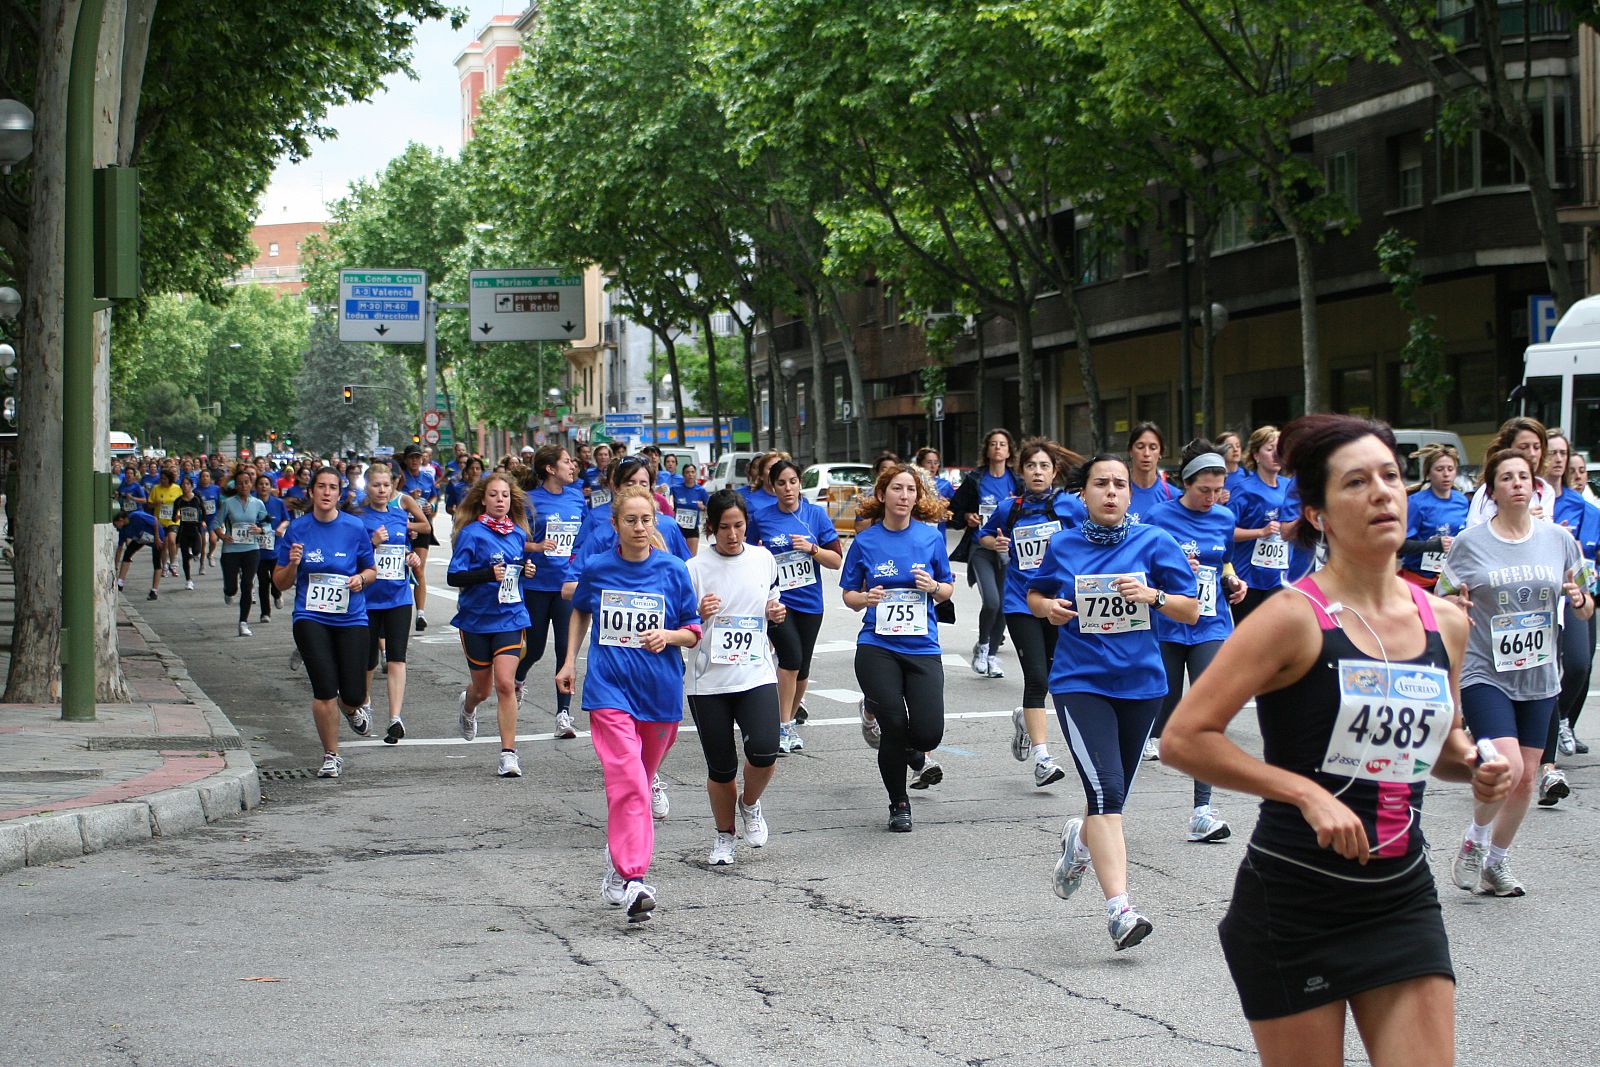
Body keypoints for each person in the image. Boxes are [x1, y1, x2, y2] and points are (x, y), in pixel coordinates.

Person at [1161, 414, 1510, 1063]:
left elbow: (1444, 747)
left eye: (1389, 476)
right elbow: (1183, 737)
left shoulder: (1448, 623)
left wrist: (1477, 764)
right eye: (1357, 482)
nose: (1383, 492)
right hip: (1296, 900)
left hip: (1401, 895)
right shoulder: (1293, 617)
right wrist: (1303, 792)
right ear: (1317, 512)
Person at [1027, 453, 1199, 950]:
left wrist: (1154, 596)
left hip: (1142, 686)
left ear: (1130, 493)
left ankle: (1078, 843)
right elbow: (1035, 595)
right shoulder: (1063, 543)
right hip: (1081, 683)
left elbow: (1190, 611)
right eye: (1101, 484)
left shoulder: (1155, 542)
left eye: (1120, 485)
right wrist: (1052, 610)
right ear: (1084, 494)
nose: (1110, 492)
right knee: (1106, 795)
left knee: (1111, 797)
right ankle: (1120, 910)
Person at [1440, 446, 1592, 897]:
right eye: (1507, 478)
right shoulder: (1471, 543)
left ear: (1535, 485)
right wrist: (1454, 606)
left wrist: (1582, 602)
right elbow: (1443, 596)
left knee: (1527, 777)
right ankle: (1475, 841)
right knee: (1503, 765)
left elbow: (1584, 600)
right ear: (1493, 489)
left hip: (1540, 673)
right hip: (1486, 669)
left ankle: (1496, 863)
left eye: (1524, 476)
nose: (1517, 484)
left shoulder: (1559, 540)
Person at [558, 484, 700, 922]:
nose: (640, 527)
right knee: (629, 782)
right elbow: (580, 609)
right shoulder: (599, 568)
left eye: (646, 520)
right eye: (631, 520)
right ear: (615, 525)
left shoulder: (674, 570)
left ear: (655, 523)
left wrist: (669, 636)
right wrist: (569, 662)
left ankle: (617, 861)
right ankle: (634, 877)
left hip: (659, 692)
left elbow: (693, 629)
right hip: (609, 689)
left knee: (640, 780)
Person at [842, 464, 955, 832]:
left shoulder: (930, 537)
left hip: (922, 646)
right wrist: (866, 597)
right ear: (883, 495)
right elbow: (849, 595)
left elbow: (948, 588)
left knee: (927, 734)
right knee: (893, 724)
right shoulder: (866, 541)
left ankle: (911, 747)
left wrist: (933, 587)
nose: (904, 496)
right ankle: (899, 803)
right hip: (877, 645)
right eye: (897, 489)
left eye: (910, 490)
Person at [1145, 439, 1248, 839]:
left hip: (1211, 625)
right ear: (1186, 483)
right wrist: (1172, 570)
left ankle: (1203, 810)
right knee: (1164, 710)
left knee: (1206, 712)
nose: (1210, 497)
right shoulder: (1159, 515)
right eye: (1203, 489)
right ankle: (1103, 808)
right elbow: (1142, 567)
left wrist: (1231, 580)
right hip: (1169, 624)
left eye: (1217, 490)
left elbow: (1223, 560)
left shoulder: (1223, 517)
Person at [977, 437, 1084, 788]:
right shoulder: (1011, 508)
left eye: (1044, 466)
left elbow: (1093, 535)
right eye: (1031, 466)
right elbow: (984, 536)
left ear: (1054, 472)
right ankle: (1042, 758)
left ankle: (1025, 719)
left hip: (1061, 603)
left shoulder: (1070, 506)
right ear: (1021, 471)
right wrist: (998, 542)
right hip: (1021, 602)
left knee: (1052, 678)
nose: (1037, 472)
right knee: (1036, 677)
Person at [687, 490, 787, 866]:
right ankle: (724, 837)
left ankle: (750, 803)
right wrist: (698, 612)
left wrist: (776, 612)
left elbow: (772, 601)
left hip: (755, 672)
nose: (732, 534)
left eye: (739, 526)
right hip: (708, 681)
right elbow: (680, 625)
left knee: (764, 751)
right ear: (711, 528)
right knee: (722, 767)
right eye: (724, 527)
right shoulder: (693, 569)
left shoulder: (763, 559)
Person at [273, 467, 377, 779]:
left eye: (333, 487)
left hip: (351, 617)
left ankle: (351, 709)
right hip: (311, 616)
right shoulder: (297, 530)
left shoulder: (354, 527)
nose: (327, 492)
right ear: (312, 492)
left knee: (355, 692)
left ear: (339, 493)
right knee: (323, 689)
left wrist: (360, 578)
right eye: (321, 486)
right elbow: (279, 583)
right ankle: (331, 755)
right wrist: (292, 563)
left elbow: (371, 570)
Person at [748, 458, 843, 754]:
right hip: (779, 602)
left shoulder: (815, 515)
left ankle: (785, 720)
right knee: (789, 658)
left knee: (802, 667)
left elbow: (837, 560)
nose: (787, 488)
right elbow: (746, 556)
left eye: (792, 481)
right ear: (772, 486)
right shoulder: (762, 517)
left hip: (810, 602)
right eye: (781, 483)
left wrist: (812, 549)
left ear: (800, 484)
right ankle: (782, 727)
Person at [448, 471, 538, 778]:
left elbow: (516, 570)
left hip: (510, 616)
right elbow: (454, 577)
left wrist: (526, 571)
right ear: (483, 500)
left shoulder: (517, 534)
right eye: (494, 495)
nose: (500, 500)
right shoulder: (471, 534)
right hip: (475, 619)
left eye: (505, 495)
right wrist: (488, 574)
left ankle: (508, 755)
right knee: (482, 689)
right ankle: (468, 705)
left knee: (504, 683)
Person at [350, 463, 425, 744]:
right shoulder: (357, 517)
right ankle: (365, 706)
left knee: (397, 657)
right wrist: (371, 542)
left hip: (398, 596)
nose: (381, 490)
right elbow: (349, 557)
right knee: (368, 660)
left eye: (386, 485)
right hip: (367, 600)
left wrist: (410, 558)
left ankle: (395, 718)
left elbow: (402, 548)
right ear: (366, 488)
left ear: (392, 486)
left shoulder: (399, 515)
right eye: (375, 485)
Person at [516, 444, 587, 739]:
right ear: (550, 468)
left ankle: (563, 715)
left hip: (566, 587)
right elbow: (516, 540)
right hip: (536, 585)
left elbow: (584, 541)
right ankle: (518, 679)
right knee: (533, 648)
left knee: (564, 650)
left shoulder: (576, 499)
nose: (572, 466)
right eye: (566, 462)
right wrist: (535, 548)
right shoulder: (530, 501)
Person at [1545, 430, 1598, 759]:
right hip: (1534, 596)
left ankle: (1563, 718)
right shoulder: (1531, 498)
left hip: (1572, 594)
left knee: (1579, 664)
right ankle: (1543, 737)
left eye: (1563, 453)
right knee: (1539, 670)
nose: (1558, 459)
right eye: (1552, 452)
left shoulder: (1582, 506)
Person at [955, 429, 1018, 678]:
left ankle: (992, 655)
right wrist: (968, 517)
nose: (998, 448)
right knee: (991, 601)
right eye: (993, 444)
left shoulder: (1017, 481)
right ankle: (982, 647)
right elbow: (956, 511)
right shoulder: (975, 479)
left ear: (1009, 450)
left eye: (1002, 444)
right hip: (980, 546)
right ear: (987, 449)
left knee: (1004, 604)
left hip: (1008, 550)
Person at [1228, 426, 1297, 622]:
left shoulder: (1289, 486)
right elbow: (1227, 532)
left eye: (1279, 449)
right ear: (1256, 455)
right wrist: (1260, 532)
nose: (1276, 454)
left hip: (1281, 575)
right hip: (1249, 578)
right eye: (1269, 449)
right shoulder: (1244, 489)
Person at [1398, 444, 1468, 590]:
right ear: (1428, 474)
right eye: (1439, 469)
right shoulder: (1416, 503)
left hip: (1453, 577)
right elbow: (1400, 546)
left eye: (1450, 469)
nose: (1446, 474)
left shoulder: (1461, 500)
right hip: (1421, 580)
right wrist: (1435, 545)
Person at [1466, 416, 1556, 526]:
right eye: (1524, 447)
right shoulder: (1488, 491)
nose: (1532, 454)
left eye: (1537, 447)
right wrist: (1521, 520)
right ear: (1507, 450)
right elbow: (1475, 537)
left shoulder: (1546, 491)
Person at [216, 464, 269, 637]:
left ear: (251, 484)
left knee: (247, 584)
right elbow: (215, 524)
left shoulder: (258, 503)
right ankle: (228, 591)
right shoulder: (228, 503)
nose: (244, 486)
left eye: (247, 482)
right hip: (231, 550)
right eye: (240, 483)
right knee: (232, 588)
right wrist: (223, 536)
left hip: (251, 549)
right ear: (235, 485)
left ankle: (243, 622)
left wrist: (260, 530)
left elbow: (267, 523)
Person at [400, 444, 441, 632]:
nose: (415, 461)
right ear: (406, 460)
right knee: (401, 571)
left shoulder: (427, 477)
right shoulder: (401, 477)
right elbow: (393, 498)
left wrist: (430, 507)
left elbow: (434, 497)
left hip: (423, 526)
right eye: (412, 457)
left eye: (418, 457)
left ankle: (421, 613)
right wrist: (409, 497)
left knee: (418, 568)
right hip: (402, 528)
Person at [254, 473, 291, 623]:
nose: (263, 487)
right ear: (256, 487)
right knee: (263, 581)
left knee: (275, 579)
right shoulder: (252, 503)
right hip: (258, 549)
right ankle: (265, 613)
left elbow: (286, 519)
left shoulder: (278, 503)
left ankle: (277, 594)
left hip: (275, 547)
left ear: (271, 487)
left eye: (266, 484)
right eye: (261, 484)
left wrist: (282, 527)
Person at [1126, 422, 1175, 524]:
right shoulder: (1116, 493)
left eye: (1153, 448)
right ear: (1130, 451)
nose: (1146, 454)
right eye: (1140, 447)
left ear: (1160, 453)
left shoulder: (1173, 496)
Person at [114, 501, 165, 599]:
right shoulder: (123, 530)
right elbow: (120, 548)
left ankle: (154, 591)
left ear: (121, 520)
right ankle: (120, 583)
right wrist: (115, 565)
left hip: (156, 536)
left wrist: (158, 538)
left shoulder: (136, 516)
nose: (116, 527)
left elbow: (154, 520)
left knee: (156, 562)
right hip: (141, 538)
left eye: (116, 524)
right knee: (128, 553)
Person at [148, 467, 183, 577]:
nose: (162, 481)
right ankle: (164, 566)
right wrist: (155, 504)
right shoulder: (156, 489)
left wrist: (180, 514)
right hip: (160, 520)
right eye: (161, 478)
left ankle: (174, 563)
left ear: (169, 479)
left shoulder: (177, 488)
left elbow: (182, 502)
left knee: (172, 540)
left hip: (173, 519)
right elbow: (149, 504)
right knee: (164, 544)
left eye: (164, 479)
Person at [669, 461, 709, 555]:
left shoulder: (701, 490)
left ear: (695, 474)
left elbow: (710, 508)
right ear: (683, 474)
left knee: (691, 557)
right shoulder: (675, 489)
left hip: (692, 528)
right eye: (687, 472)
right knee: (678, 555)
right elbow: (669, 504)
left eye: (692, 472)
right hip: (678, 527)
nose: (690, 474)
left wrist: (702, 507)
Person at [173, 479, 206, 590]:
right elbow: (173, 516)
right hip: (184, 529)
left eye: (187, 484)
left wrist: (203, 521)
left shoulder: (196, 498)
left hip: (195, 528)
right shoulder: (178, 501)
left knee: (197, 550)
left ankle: (195, 554)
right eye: (183, 484)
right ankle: (188, 580)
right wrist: (176, 517)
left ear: (191, 486)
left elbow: (203, 511)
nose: (185, 486)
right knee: (185, 556)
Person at [195, 468, 221, 572]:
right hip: (201, 520)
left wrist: (220, 519)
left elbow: (219, 504)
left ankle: (210, 555)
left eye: (207, 476)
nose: (205, 478)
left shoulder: (216, 489)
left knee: (213, 540)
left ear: (210, 478)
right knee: (203, 542)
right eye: (203, 476)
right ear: (200, 478)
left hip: (213, 518)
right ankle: (202, 564)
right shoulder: (196, 491)